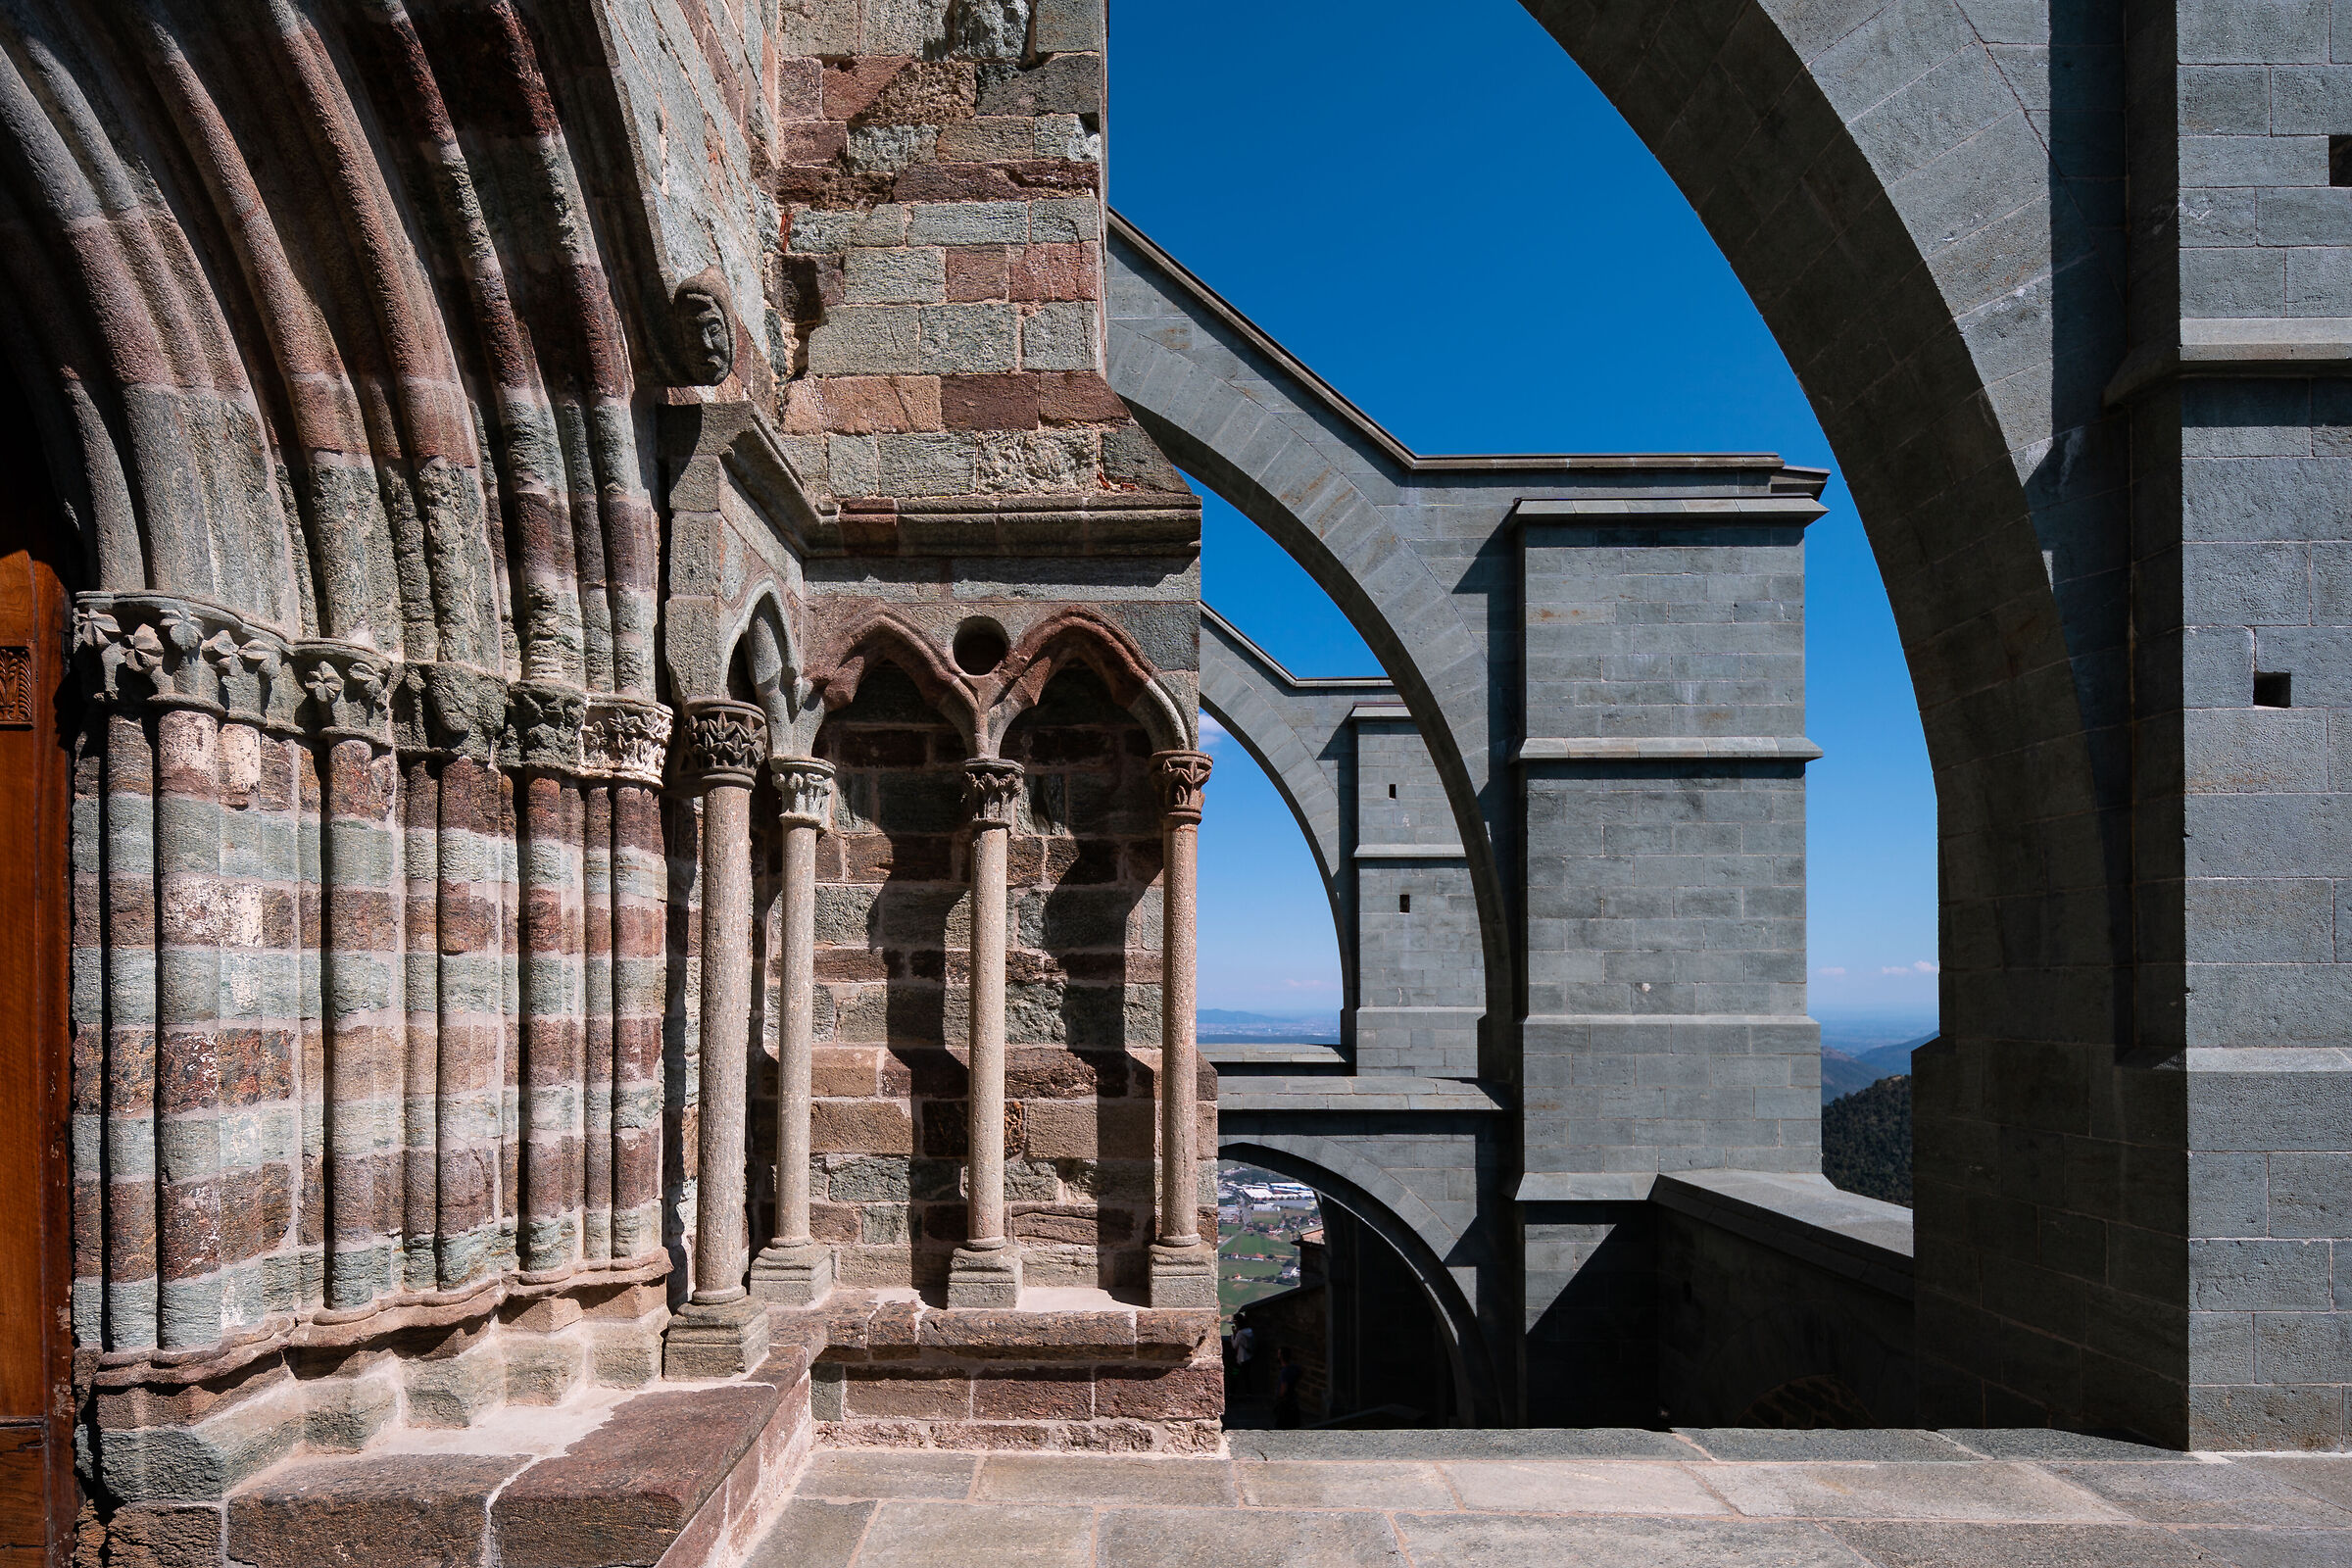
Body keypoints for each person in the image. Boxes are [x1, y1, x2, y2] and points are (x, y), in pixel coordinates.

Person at [1274, 1346, 1302, 1429]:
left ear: (1281, 1356)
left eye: (1279, 1354)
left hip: (1285, 1403)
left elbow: (1284, 1389)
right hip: (1293, 1399)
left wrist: (1279, 1397)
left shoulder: (1285, 1371)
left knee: (1281, 1425)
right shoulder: (1294, 1368)